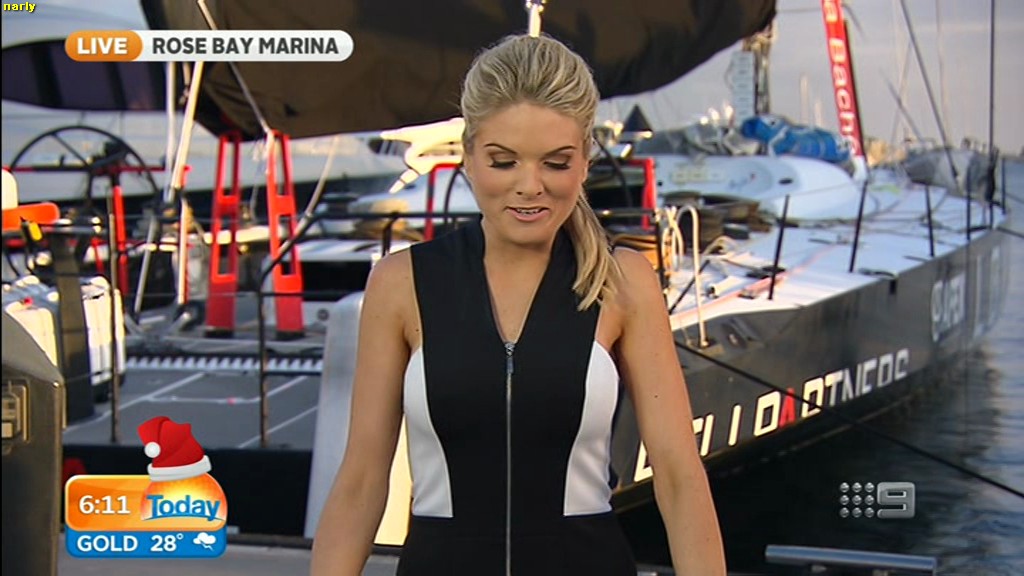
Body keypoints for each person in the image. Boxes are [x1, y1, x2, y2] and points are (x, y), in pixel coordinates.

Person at [310, 33, 726, 576]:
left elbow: (678, 475)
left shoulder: (623, 282)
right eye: (504, 162)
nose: (530, 186)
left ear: (584, 162)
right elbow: (362, 480)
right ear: (468, 158)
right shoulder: (401, 284)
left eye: (556, 163)